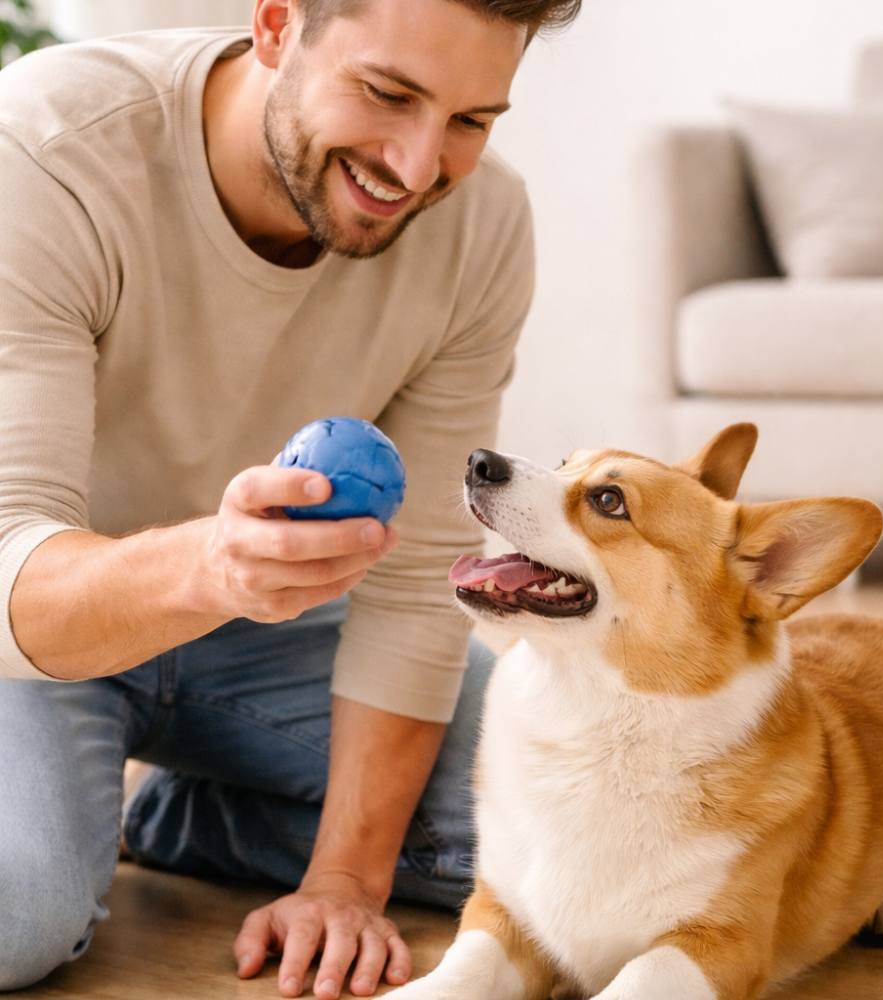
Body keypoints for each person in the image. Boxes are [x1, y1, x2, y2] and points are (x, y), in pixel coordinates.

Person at [0, 0, 581, 996]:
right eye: (387, 93)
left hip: (278, 628)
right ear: (277, 24)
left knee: (581, 829)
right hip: (40, 630)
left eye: (470, 120)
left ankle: (186, 818)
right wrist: (210, 568)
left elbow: (412, 585)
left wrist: (346, 883)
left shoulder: (482, 225)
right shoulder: (46, 153)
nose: (417, 168)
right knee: (18, 917)